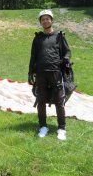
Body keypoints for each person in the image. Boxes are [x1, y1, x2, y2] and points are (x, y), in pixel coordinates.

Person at [28, 9, 71, 140]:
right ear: (40, 22)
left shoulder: (59, 36)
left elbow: (67, 52)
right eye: (43, 19)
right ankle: (43, 126)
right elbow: (33, 56)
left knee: (59, 101)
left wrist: (65, 60)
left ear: (51, 20)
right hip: (41, 74)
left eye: (48, 18)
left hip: (56, 73)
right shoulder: (37, 38)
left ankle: (61, 128)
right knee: (41, 101)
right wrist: (30, 72)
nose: (45, 21)